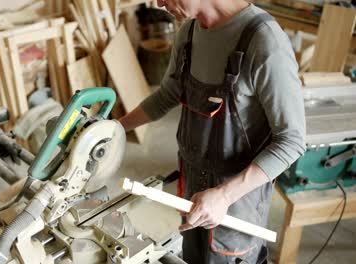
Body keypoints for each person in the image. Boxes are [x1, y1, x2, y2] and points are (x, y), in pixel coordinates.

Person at [118, 0, 306, 263]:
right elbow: (167, 96)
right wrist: (115, 128)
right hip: (192, 191)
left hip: (236, 205)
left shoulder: (265, 41)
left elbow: (292, 141)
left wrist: (224, 196)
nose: (158, 3)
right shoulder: (188, 32)